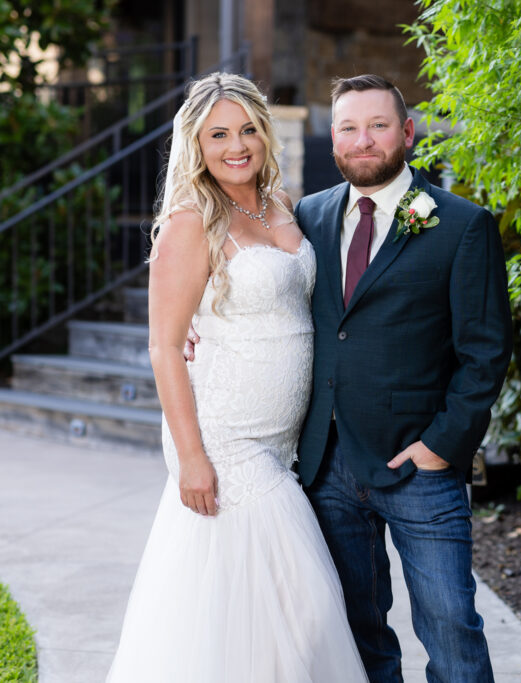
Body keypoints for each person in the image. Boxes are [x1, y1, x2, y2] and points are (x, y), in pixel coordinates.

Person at [106, 72, 367, 683]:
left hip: (281, 441)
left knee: (267, 620)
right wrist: (191, 458)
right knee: (298, 604)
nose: (236, 145)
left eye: (248, 129)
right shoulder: (190, 221)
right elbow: (164, 347)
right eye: (218, 134)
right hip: (225, 443)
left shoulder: (279, 204)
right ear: (196, 144)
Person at [295, 75, 513, 681]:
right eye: (348, 127)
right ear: (333, 138)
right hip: (327, 465)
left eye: (378, 125)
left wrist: (444, 445)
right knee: (358, 636)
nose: (363, 140)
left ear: (408, 132)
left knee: (452, 632)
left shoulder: (461, 224)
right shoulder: (307, 216)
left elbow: (486, 351)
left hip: (420, 464)